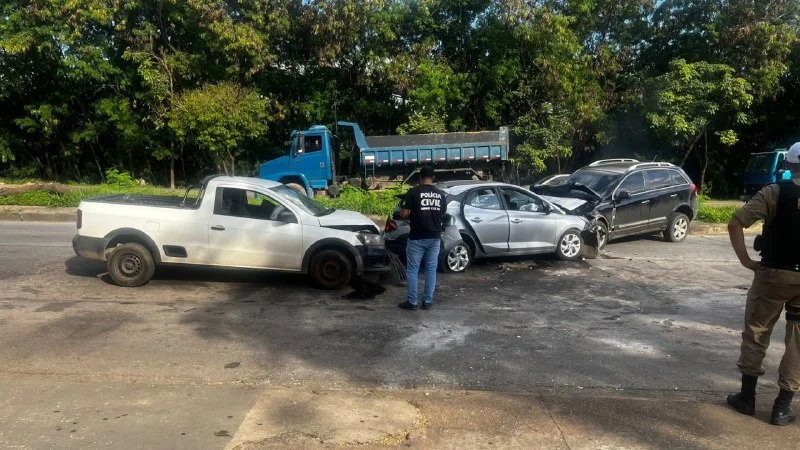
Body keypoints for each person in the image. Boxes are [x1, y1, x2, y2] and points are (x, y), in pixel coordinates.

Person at [726, 142, 800, 426]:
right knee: (797, 341)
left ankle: (747, 398)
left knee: (757, 332)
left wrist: (746, 260)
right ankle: (782, 408)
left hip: (772, 276)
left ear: (790, 165)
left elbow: (736, 222)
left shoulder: (775, 191)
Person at [397, 166, 446, 310]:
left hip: (417, 237)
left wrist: (406, 211)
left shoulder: (413, 192)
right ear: (434, 177)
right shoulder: (440, 195)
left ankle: (412, 302)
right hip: (435, 237)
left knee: (413, 270)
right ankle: (427, 301)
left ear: (420, 177)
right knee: (431, 269)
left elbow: (404, 214)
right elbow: (442, 214)